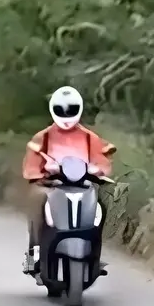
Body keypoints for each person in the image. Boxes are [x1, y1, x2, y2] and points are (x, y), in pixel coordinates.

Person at [20, 85, 116, 275]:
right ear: (53, 110)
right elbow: (32, 160)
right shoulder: (44, 137)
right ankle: (33, 254)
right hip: (51, 185)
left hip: (82, 185)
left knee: (100, 208)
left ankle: (95, 255)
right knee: (38, 202)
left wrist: (99, 169)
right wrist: (38, 172)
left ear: (78, 109)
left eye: (70, 109)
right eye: (61, 110)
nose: (66, 115)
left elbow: (102, 159)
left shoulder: (89, 138)